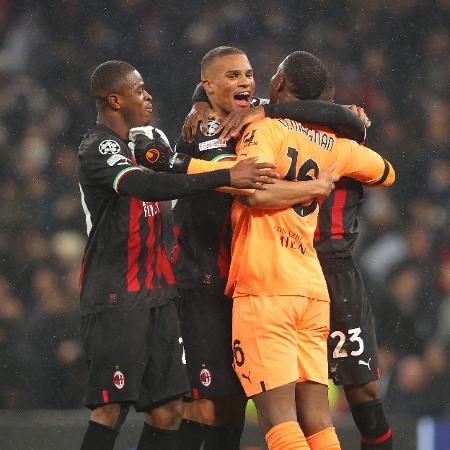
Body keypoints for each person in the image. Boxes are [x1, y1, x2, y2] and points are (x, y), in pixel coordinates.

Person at [164, 46, 369, 450]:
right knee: (203, 405)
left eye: (248, 75)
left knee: (235, 405)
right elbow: (244, 185)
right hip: (204, 278)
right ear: (207, 88)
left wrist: (269, 112)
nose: (245, 83)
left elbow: (338, 116)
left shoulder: (261, 115)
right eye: (232, 77)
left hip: (247, 283)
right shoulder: (204, 129)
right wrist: (311, 187)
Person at [77, 59, 280, 450]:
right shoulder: (98, 146)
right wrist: (226, 176)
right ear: (115, 100)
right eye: (138, 90)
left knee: (170, 410)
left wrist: (199, 104)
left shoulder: (149, 137)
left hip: (160, 294)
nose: (148, 95)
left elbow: (174, 168)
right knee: (111, 408)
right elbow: (146, 185)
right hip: (116, 293)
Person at [225, 51, 395, 450]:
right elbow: (387, 172)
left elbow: (250, 191)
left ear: (281, 85)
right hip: (307, 271)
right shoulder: (338, 140)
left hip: (300, 270)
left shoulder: (274, 131)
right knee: (313, 413)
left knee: (319, 405)